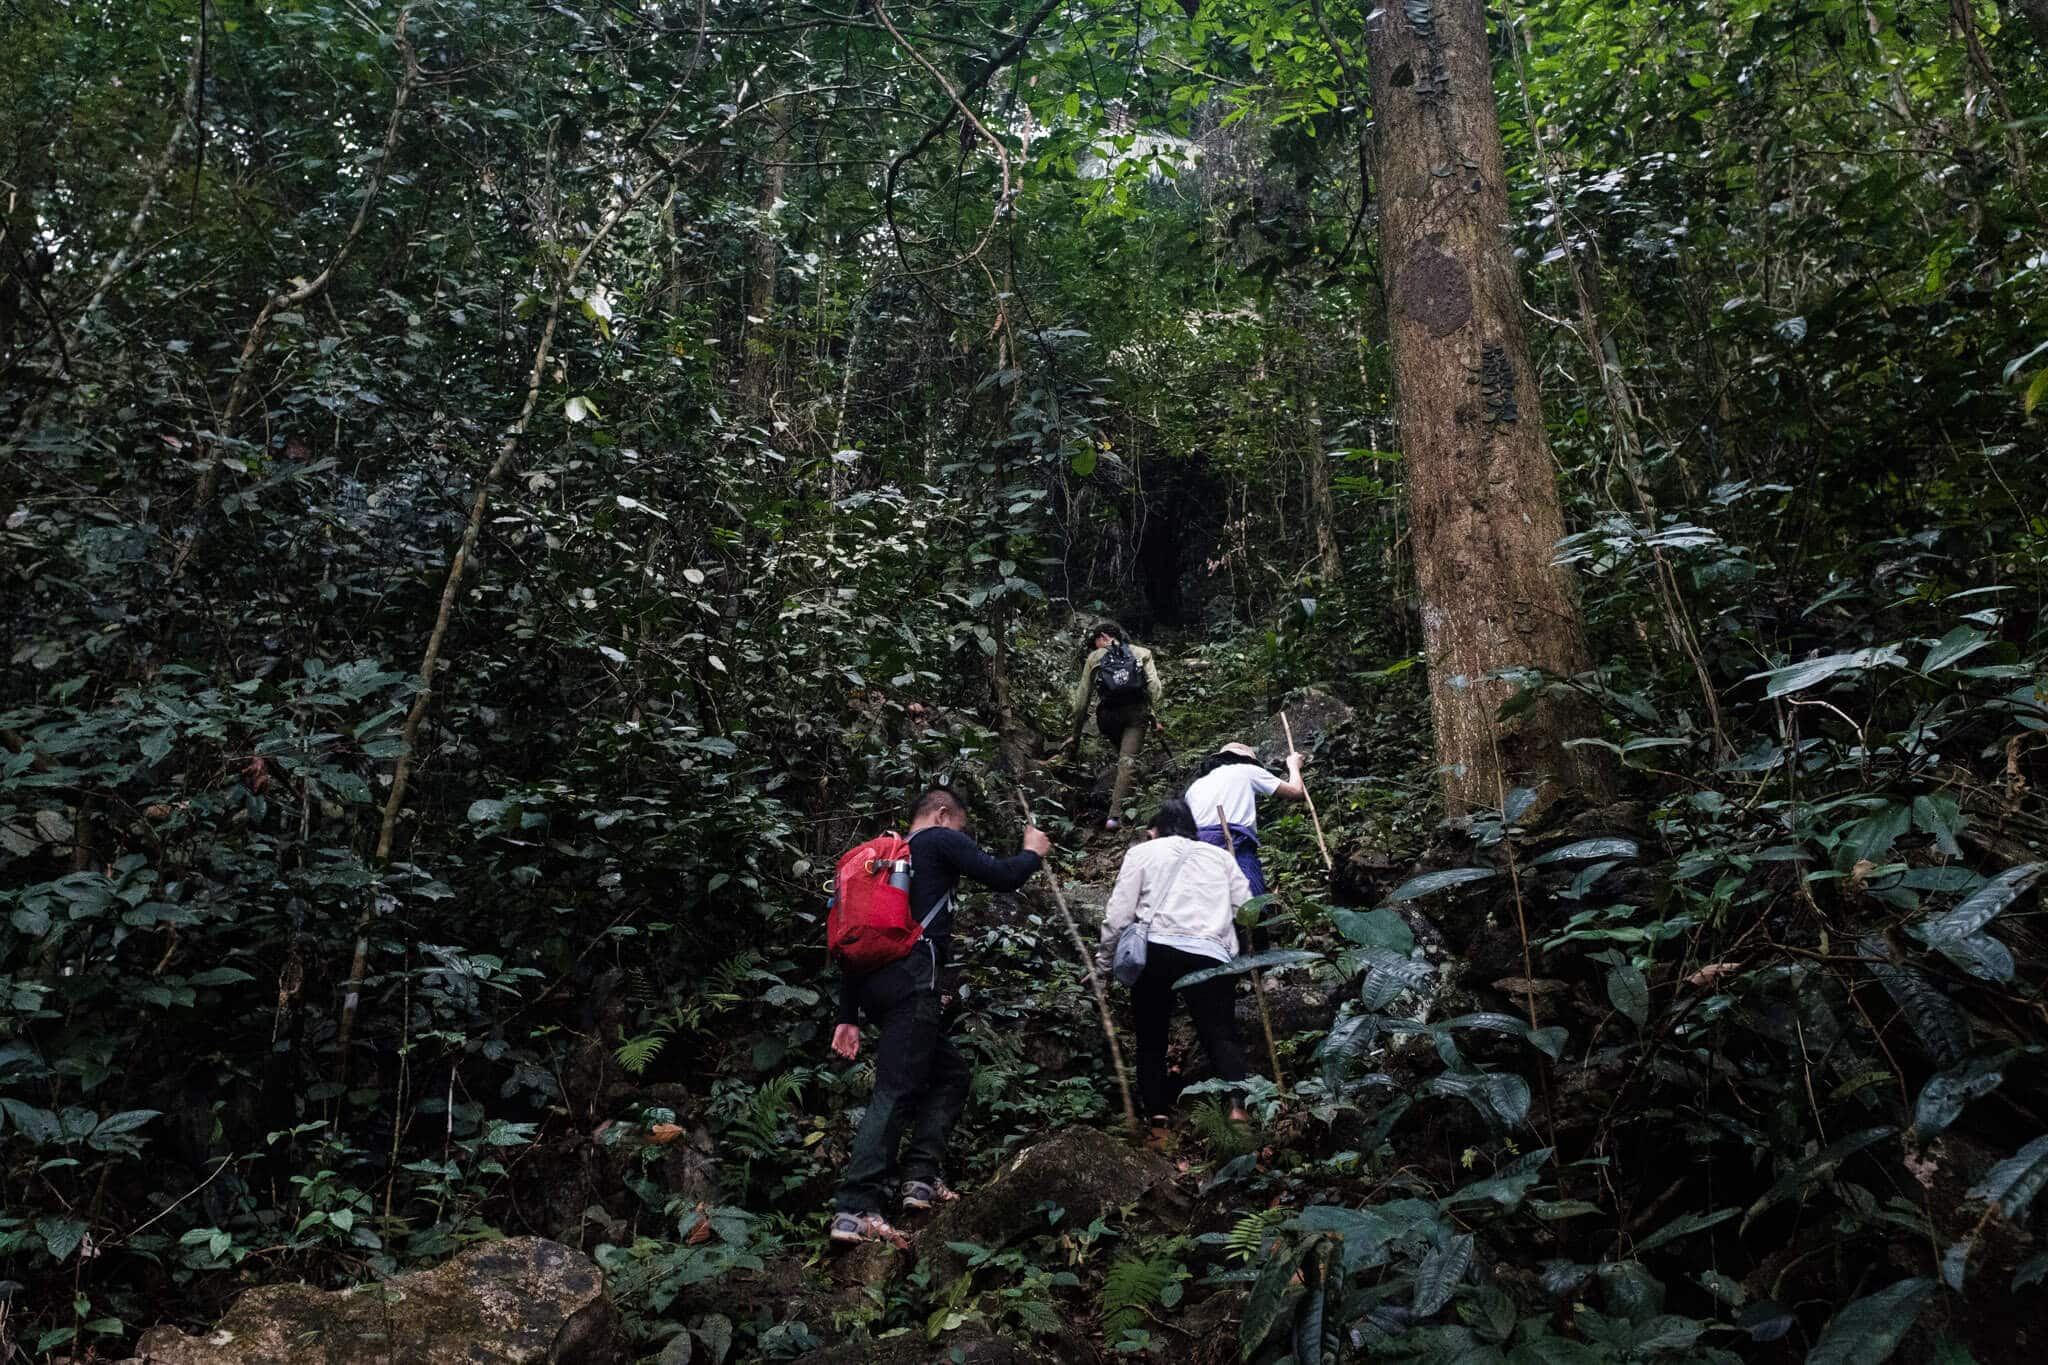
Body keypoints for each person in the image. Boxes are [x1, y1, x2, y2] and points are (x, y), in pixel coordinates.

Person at [827, 787, 1051, 1246]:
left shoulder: (887, 862)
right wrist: (1032, 853)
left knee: (950, 1074)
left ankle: (920, 1178)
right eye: (962, 827)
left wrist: (847, 1014)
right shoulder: (937, 840)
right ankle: (855, 1209)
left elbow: (854, 939)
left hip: (874, 984)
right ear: (943, 814)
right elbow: (1002, 876)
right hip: (913, 981)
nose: (961, 835)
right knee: (896, 1089)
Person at [1098, 799, 1254, 1127]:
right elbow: (1247, 908)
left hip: (1156, 950)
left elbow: (1119, 915)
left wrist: (1102, 966)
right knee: (1221, 1033)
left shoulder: (1142, 852)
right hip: (1211, 953)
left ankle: (1156, 1114)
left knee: (1151, 1035)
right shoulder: (1221, 857)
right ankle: (1237, 1105)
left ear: (1153, 831)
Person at [1057, 621, 1163, 831]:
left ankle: (1130, 790)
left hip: (1108, 718)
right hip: (1136, 714)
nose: (1096, 646)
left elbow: (1081, 701)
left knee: (1124, 759)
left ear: (1103, 637)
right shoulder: (1142, 653)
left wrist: (1075, 735)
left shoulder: (1095, 658)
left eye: (1095, 641)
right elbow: (1154, 687)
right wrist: (1155, 717)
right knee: (1127, 760)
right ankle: (1115, 817)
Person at [1181, 741, 1306, 900]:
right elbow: (1296, 791)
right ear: (1248, 760)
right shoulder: (1247, 771)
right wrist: (1293, 765)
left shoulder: (1194, 787)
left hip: (1195, 850)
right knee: (1250, 901)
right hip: (1233, 842)